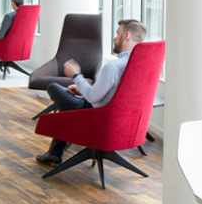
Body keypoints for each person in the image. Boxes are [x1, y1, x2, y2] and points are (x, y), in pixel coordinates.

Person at [35, 18, 147, 166]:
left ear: (126, 36)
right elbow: (112, 94)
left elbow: (93, 97)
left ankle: (54, 153)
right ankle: (54, 153)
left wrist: (76, 75)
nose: (114, 38)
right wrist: (82, 89)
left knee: (54, 88)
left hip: (97, 116)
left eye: (117, 33)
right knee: (68, 102)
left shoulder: (114, 67)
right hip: (121, 120)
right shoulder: (142, 64)